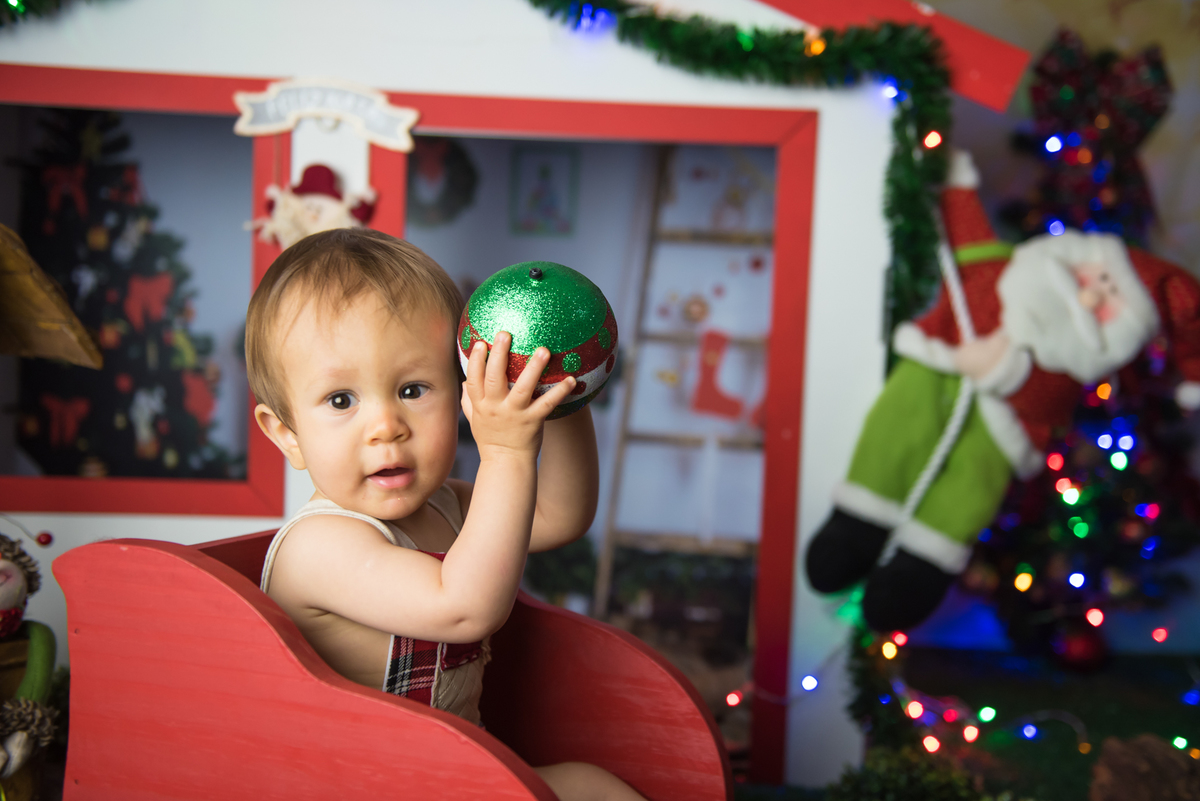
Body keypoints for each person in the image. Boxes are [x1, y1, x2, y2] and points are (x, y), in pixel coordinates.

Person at [246, 228, 645, 801]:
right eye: (341, 401)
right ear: (287, 435)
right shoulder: (319, 547)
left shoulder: (445, 505)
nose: (386, 426)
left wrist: (554, 395)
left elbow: (561, 514)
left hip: (458, 770)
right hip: (371, 785)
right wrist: (506, 453)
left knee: (595, 788)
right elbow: (463, 609)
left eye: (413, 389)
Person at [805, 149, 1200, 632]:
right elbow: (964, 229)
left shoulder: (1073, 364)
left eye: (1112, 302)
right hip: (933, 374)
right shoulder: (999, 272)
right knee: (892, 436)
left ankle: (920, 567)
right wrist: (950, 180)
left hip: (1000, 434)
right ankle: (856, 522)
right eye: (1100, 279)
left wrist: (1004, 374)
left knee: (968, 493)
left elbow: (1050, 407)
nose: (1092, 296)